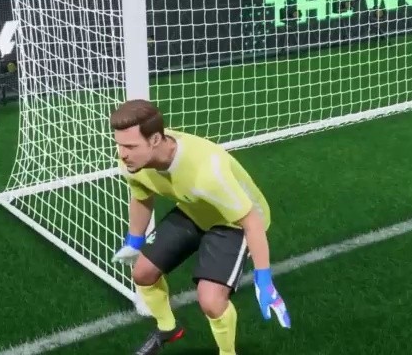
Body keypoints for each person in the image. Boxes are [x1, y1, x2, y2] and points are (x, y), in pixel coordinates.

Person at [109, 99, 290, 355]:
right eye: (118, 144)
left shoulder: (207, 171)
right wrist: (134, 240)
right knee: (142, 273)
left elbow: (251, 221)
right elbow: (142, 197)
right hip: (193, 208)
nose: (122, 153)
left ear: (156, 139)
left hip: (233, 222)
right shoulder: (132, 164)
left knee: (211, 301)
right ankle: (168, 328)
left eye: (130, 146)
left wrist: (264, 279)